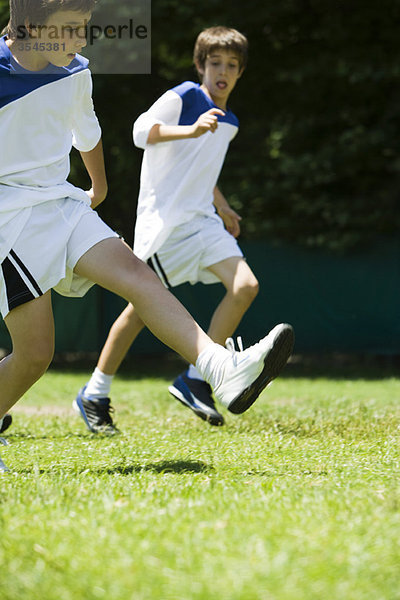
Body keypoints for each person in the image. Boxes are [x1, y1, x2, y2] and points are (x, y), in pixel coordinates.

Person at [0, 3, 294, 471]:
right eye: (72, 29)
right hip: (7, 220)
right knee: (35, 355)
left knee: (139, 276)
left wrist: (98, 187)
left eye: (85, 28)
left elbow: (87, 131)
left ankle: (220, 370)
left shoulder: (74, 70)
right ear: (32, 26)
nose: (83, 40)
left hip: (61, 204)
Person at [74, 26, 291, 434]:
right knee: (140, 311)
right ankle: (94, 391)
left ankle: (195, 379)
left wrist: (222, 204)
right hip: (166, 224)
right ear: (200, 65)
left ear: (241, 72)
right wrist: (190, 129)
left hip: (203, 222)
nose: (222, 71)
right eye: (214, 63)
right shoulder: (185, 96)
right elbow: (141, 131)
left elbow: (200, 168)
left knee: (245, 286)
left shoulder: (230, 121)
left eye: (231, 65)